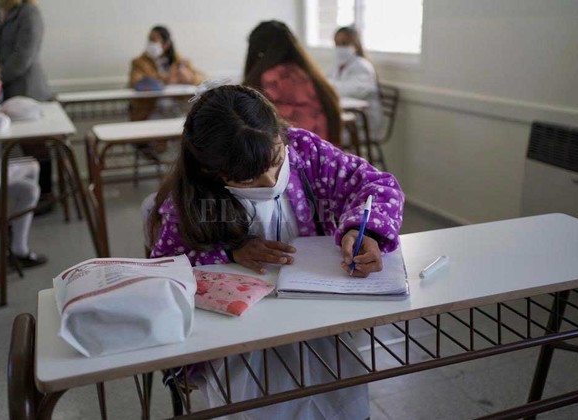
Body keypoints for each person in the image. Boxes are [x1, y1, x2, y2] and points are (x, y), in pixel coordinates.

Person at [148, 84, 404, 419]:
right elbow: (166, 268)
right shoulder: (193, 198)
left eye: (276, 161)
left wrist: (363, 229)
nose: (270, 181)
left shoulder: (306, 152)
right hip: (239, 340)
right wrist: (230, 253)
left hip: (315, 320)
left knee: (335, 395)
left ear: (280, 134)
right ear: (211, 171)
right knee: (260, 404)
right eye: (250, 180)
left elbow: (377, 185)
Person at [0, 53, 47, 268]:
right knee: (30, 189)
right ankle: (19, 247)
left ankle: (14, 224)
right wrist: (4, 116)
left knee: (31, 169)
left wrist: (0, 112)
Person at [0, 0, 54, 213]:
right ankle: (28, 192)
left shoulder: (29, 13)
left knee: (34, 145)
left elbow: (23, 57)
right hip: (5, 88)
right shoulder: (0, 13)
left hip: (28, 89)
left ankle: (45, 194)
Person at [243, 20, 342, 146]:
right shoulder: (307, 74)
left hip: (294, 152)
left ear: (257, 50)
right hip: (322, 151)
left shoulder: (269, 78)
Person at [129, 25, 205, 121]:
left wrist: (190, 78)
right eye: (149, 39)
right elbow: (136, 83)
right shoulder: (139, 62)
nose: (150, 43)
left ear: (166, 44)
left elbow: (203, 79)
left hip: (178, 110)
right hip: (150, 111)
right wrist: (167, 80)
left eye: (154, 40)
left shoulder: (179, 60)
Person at [327, 26, 383, 138]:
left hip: (363, 123)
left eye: (344, 43)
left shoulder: (363, 66)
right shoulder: (336, 65)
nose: (340, 48)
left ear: (356, 44)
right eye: (337, 44)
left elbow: (352, 91)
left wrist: (328, 86)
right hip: (347, 119)